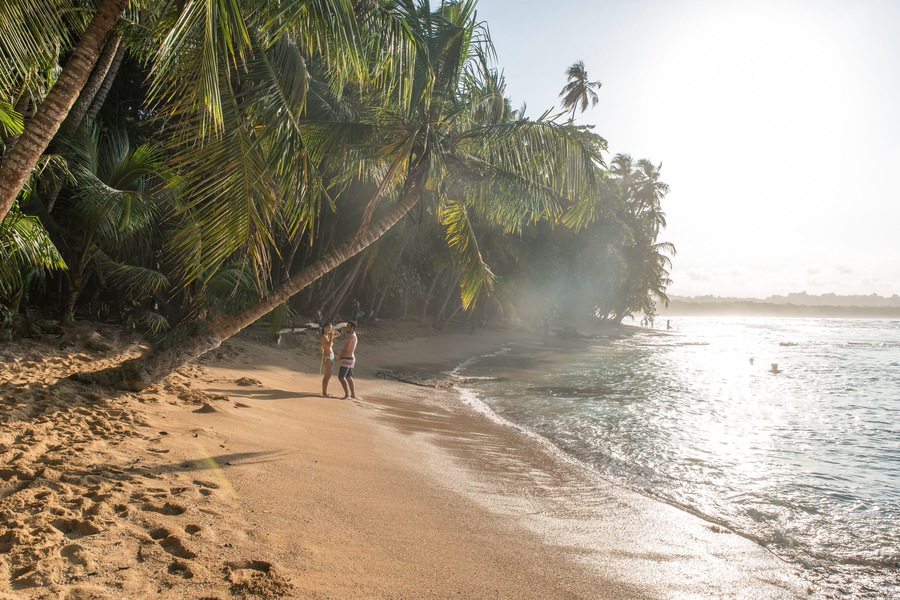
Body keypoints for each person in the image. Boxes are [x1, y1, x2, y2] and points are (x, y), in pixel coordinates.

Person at [319, 322, 341, 397]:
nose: (329, 329)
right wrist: (331, 336)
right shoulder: (323, 337)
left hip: (331, 357)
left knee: (329, 375)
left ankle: (325, 391)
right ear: (324, 328)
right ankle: (324, 392)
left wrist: (333, 330)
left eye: (330, 328)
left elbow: (339, 334)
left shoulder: (328, 335)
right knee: (327, 375)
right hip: (327, 357)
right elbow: (328, 346)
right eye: (328, 327)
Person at [337, 320, 358, 399]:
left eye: (348, 327)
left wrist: (340, 356)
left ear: (352, 328)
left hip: (347, 358)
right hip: (351, 359)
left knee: (341, 377)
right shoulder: (354, 335)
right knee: (349, 377)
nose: (346, 328)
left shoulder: (351, 337)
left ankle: (347, 395)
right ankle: (352, 394)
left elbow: (346, 349)